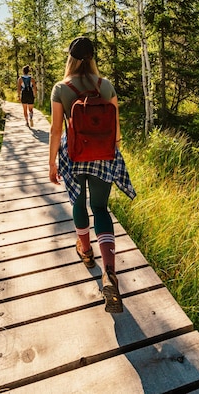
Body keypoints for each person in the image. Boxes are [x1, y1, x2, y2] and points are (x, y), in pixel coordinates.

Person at [49, 36, 136, 313]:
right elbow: (116, 130)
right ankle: (109, 271)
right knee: (100, 208)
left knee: (79, 203)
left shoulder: (61, 88)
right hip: (103, 155)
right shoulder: (106, 85)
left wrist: (52, 162)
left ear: (70, 58)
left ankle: (86, 253)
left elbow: (54, 130)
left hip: (74, 155)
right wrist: (112, 153)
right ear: (92, 58)